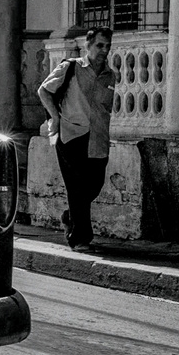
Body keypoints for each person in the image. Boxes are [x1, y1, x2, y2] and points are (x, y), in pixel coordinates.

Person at [38, 27, 118, 252]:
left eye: (107, 46)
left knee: (95, 185)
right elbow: (44, 91)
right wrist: (55, 116)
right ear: (88, 46)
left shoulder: (110, 75)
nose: (104, 50)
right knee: (77, 186)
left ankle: (70, 216)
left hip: (98, 137)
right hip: (71, 135)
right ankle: (80, 238)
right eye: (100, 45)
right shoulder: (70, 67)